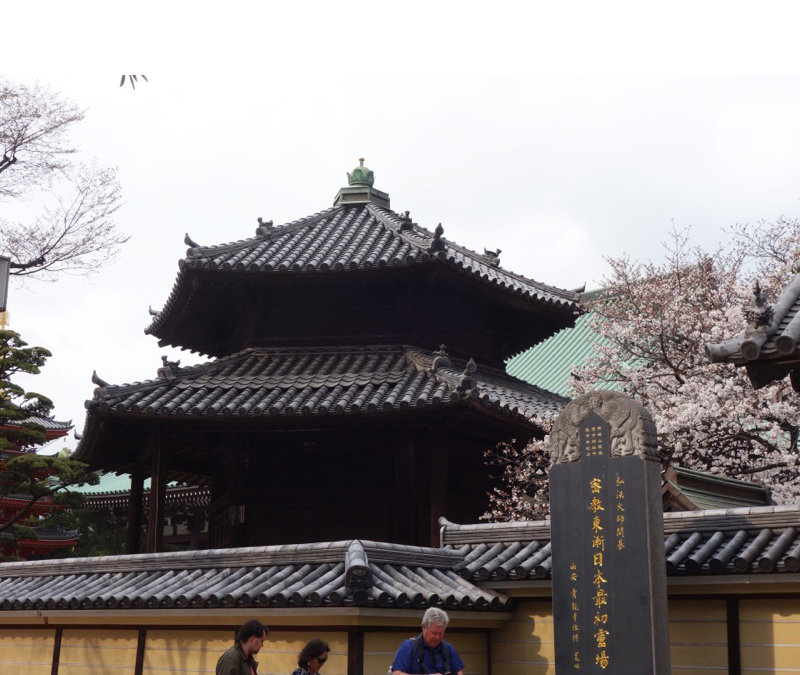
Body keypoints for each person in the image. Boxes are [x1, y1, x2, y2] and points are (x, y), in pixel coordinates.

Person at [391, 608, 464, 675]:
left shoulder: (448, 649)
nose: (437, 637)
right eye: (434, 633)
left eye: (441, 633)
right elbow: (396, 673)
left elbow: (459, 673)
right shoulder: (408, 647)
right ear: (423, 627)